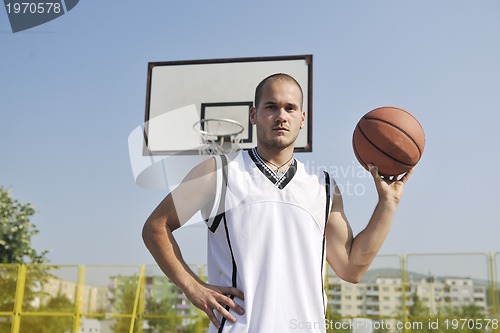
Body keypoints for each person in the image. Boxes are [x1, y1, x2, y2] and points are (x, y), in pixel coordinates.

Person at [142, 73, 412, 332]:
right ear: (253, 115)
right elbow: (156, 226)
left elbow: (351, 268)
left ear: (302, 118)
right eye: (271, 106)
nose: (281, 116)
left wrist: (388, 205)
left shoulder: (324, 185)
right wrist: (193, 286)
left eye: (290, 108)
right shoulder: (219, 172)